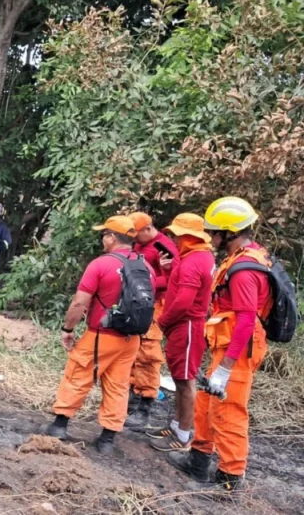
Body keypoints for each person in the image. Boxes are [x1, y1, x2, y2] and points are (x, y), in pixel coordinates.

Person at [167, 197, 271, 494]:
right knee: (206, 404)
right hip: (226, 345)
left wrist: (225, 369)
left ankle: (230, 479)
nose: (209, 237)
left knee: (228, 412)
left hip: (237, 349)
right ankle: (199, 460)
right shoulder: (242, 256)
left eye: (213, 232)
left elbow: (247, 320)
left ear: (229, 233)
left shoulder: (244, 271)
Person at [43, 216, 155, 455]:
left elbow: (79, 303)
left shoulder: (101, 264)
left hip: (101, 335)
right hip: (131, 339)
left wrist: (68, 329)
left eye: (104, 235)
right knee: (118, 385)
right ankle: (107, 440)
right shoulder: (146, 267)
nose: (103, 240)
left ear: (112, 237)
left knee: (78, 374)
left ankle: (59, 426)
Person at [147, 213, 214, 452]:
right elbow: (178, 286)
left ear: (188, 236)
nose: (173, 239)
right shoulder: (196, 257)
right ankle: (177, 425)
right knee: (179, 377)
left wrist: (164, 321)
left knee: (185, 381)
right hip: (184, 325)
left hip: (186, 326)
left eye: (176, 235)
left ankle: (184, 434)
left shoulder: (194, 261)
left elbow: (184, 301)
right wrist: (168, 271)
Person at [124, 212, 179, 430]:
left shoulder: (163, 247)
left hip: (155, 305)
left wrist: (146, 284)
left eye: (136, 234)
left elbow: (176, 277)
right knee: (131, 351)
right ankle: (130, 400)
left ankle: (144, 407)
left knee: (147, 354)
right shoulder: (139, 244)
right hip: (137, 304)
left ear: (148, 229)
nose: (134, 239)